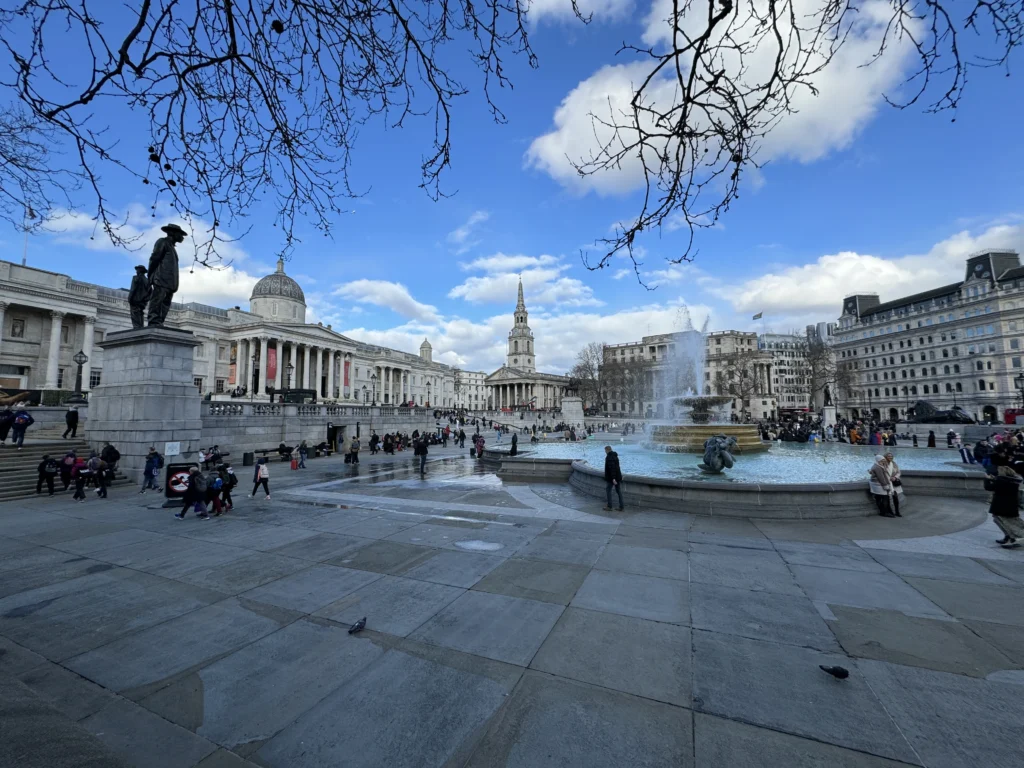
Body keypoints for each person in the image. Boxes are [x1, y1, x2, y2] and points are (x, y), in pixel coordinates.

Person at [987, 454, 1024, 547]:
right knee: (1007, 520)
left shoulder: (1001, 480)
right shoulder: (1014, 481)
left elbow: (989, 487)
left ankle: (1014, 537)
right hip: (1010, 505)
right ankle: (1009, 536)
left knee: (1003, 521)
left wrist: (987, 479)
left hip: (1001, 505)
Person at [127, 264, 151, 328]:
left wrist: (130, 298)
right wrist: (146, 299)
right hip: (143, 301)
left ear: (139, 271)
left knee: (134, 314)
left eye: (137, 270)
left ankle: (136, 327)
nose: (136, 271)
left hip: (135, 300)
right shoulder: (147, 280)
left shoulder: (135, 278)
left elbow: (133, 289)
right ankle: (140, 326)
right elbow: (150, 292)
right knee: (140, 313)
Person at [603, 445, 624, 511]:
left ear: (607, 450)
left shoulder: (609, 457)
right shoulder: (615, 456)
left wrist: (613, 478)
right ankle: (621, 506)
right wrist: (618, 476)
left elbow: (612, 468)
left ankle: (609, 506)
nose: (605, 452)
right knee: (618, 491)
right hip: (617, 476)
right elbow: (617, 467)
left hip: (611, 478)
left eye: (605, 451)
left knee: (608, 490)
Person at [882, 452, 903, 517]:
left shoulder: (894, 464)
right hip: (887, 483)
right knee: (888, 498)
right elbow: (882, 473)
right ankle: (890, 511)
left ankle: (897, 511)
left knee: (895, 497)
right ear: (885, 457)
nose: (890, 457)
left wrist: (895, 477)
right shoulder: (883, 464)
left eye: (891, 456)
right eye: (889, 456)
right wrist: (889, 478)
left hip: (894, 482)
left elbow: (899, 472)